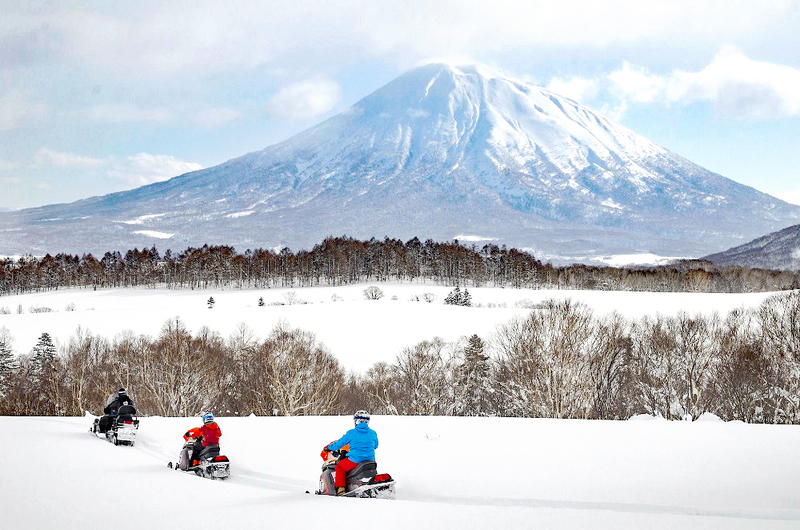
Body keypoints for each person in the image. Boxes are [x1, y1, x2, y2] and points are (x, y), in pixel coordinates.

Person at [323, 410, 378, 496]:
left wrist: (328, 448)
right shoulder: (373, 433)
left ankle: (340, 489)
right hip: (370, 460)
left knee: (340, 467)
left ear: (356, 421)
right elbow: (376, 445)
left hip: (355, 460)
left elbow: (339, 444)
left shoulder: (351, 433)